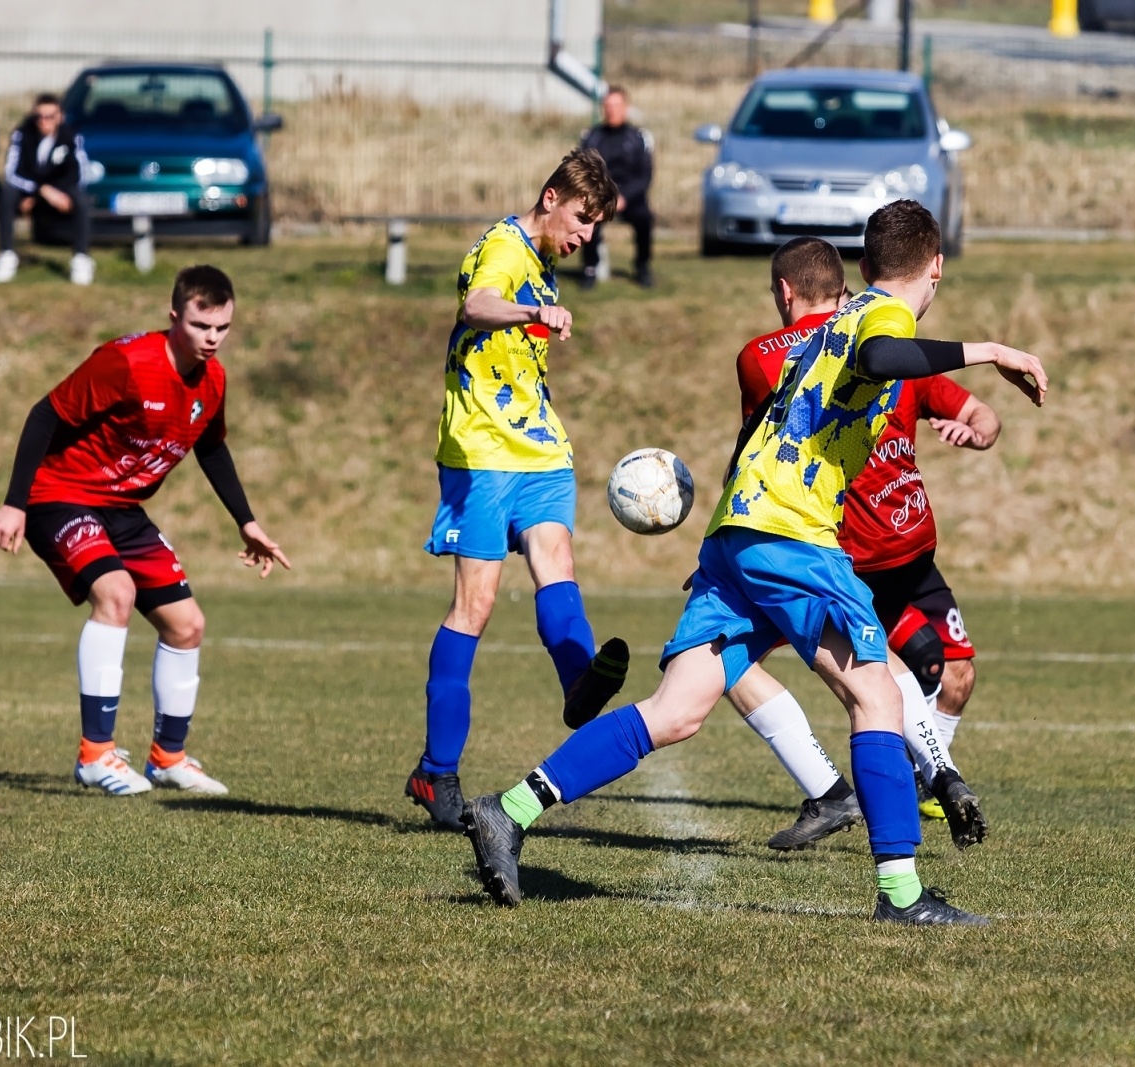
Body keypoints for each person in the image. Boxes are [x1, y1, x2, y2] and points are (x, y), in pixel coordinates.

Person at [460, 200, 1047, 925]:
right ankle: (902, 894)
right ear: (936, 267)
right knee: (878, 698)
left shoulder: (831, 320)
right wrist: (990, 350)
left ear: (862, 267)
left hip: (742, 532)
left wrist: (719, 547)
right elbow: (883, 358)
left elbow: (764, 429)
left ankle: (508, 810)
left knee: (675, 711)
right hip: (795, 536)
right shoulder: (880, 320)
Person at [727, 236, 1004, 852]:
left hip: (823, 545)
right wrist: (985, 353)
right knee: (897, 672)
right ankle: (928, 780)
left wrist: (978, 425)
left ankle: (863, 789)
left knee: (732, 661)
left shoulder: (767, 357)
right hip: (872, 545)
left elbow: (757, 447)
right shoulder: (884, 341)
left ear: (784, 290)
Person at [0, 265, 289, 796]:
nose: (212, 339)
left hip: (124, 510)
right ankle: (95, 755)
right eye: (201, 326)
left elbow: (211, 448)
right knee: (116, 593)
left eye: (222, 328)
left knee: (187, 624)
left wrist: (248, 523)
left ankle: (168, 758)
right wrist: (15, 504)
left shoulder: (212, 380)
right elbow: (44, 415)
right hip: (61, 496)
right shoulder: (125, 362)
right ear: (175, 317)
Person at [407, 148, 632, 831]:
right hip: (480, 451)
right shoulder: (504, 249)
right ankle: (435, 772)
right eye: (583, 219)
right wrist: (533, 310)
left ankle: (578, 682)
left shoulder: (541, 260)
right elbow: (476, 304)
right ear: (551, 196)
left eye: (596, 225)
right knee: (474, 606)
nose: (587, 235)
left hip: (538, 446)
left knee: (555, 561)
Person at [0, 93, 93, 286]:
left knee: (81, 199)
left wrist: (57, 192)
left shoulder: (71, 136)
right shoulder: (22, 134)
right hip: (29, 192)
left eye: (50, 116)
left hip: (61, 193)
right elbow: (12, 172)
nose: (44, 121)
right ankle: (7, 256)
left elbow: (80, 173)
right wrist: (40, 190)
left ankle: (81, 260)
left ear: (60, 116)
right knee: (7, 194)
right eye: (39, 117)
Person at [579, 86, 654, 289]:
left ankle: (642, 266)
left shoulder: (638, 138)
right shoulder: (592, 137)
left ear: (625, 108)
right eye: (608, 106)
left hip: (630, 199)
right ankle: (590, 268)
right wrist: (605, 197)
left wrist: (624, 197)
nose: (612, 111)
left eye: (616, 106)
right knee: (588, 218)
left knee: (644, 218)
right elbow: (584, 171)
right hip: (601, 197)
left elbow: (645, 176)